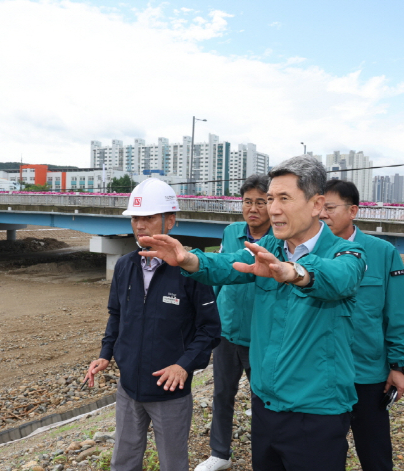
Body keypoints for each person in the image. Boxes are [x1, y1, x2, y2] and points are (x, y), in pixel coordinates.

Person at [138, 155, 367, 471]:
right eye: (271, 198)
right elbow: (228, 264)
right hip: (265, 404)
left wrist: (295, 272)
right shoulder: (271, 245)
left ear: (317, 205)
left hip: (317, 412)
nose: (272, 209)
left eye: (283, 199)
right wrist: (189, 260)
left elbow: (340, 277)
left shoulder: (346, 251)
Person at [84, 178, 221, 471]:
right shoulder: (124, 265)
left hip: (169, 390)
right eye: (135, 218)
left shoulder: (191, 268)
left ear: (170, 220)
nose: (140, 225)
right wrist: (105, 354)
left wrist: (183, 365)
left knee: (173, 463)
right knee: (124, 460)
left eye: (148, 217)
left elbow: (210, 329)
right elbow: (116, 315)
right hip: (128, 387)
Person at [319, 180, 404, 471]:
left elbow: (398, 313)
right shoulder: (308, 252)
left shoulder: (382, 252)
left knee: (375, 454)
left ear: (353, 211)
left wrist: (400, 366)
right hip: (322, 374)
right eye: (318, 207)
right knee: (322, 453)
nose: (322, 214)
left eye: (330, 207)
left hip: (367, 373)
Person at [195, 175, 271, 471]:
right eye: (247, 201)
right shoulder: (231, 232)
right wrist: (209, 316)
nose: (253, 208)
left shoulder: (278, 240)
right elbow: (220, 274)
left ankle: (264, 457)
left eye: (261, 202)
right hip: (227, 330)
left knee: (262, 398)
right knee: (222, 393)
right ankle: (220, 453)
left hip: (260, 334)